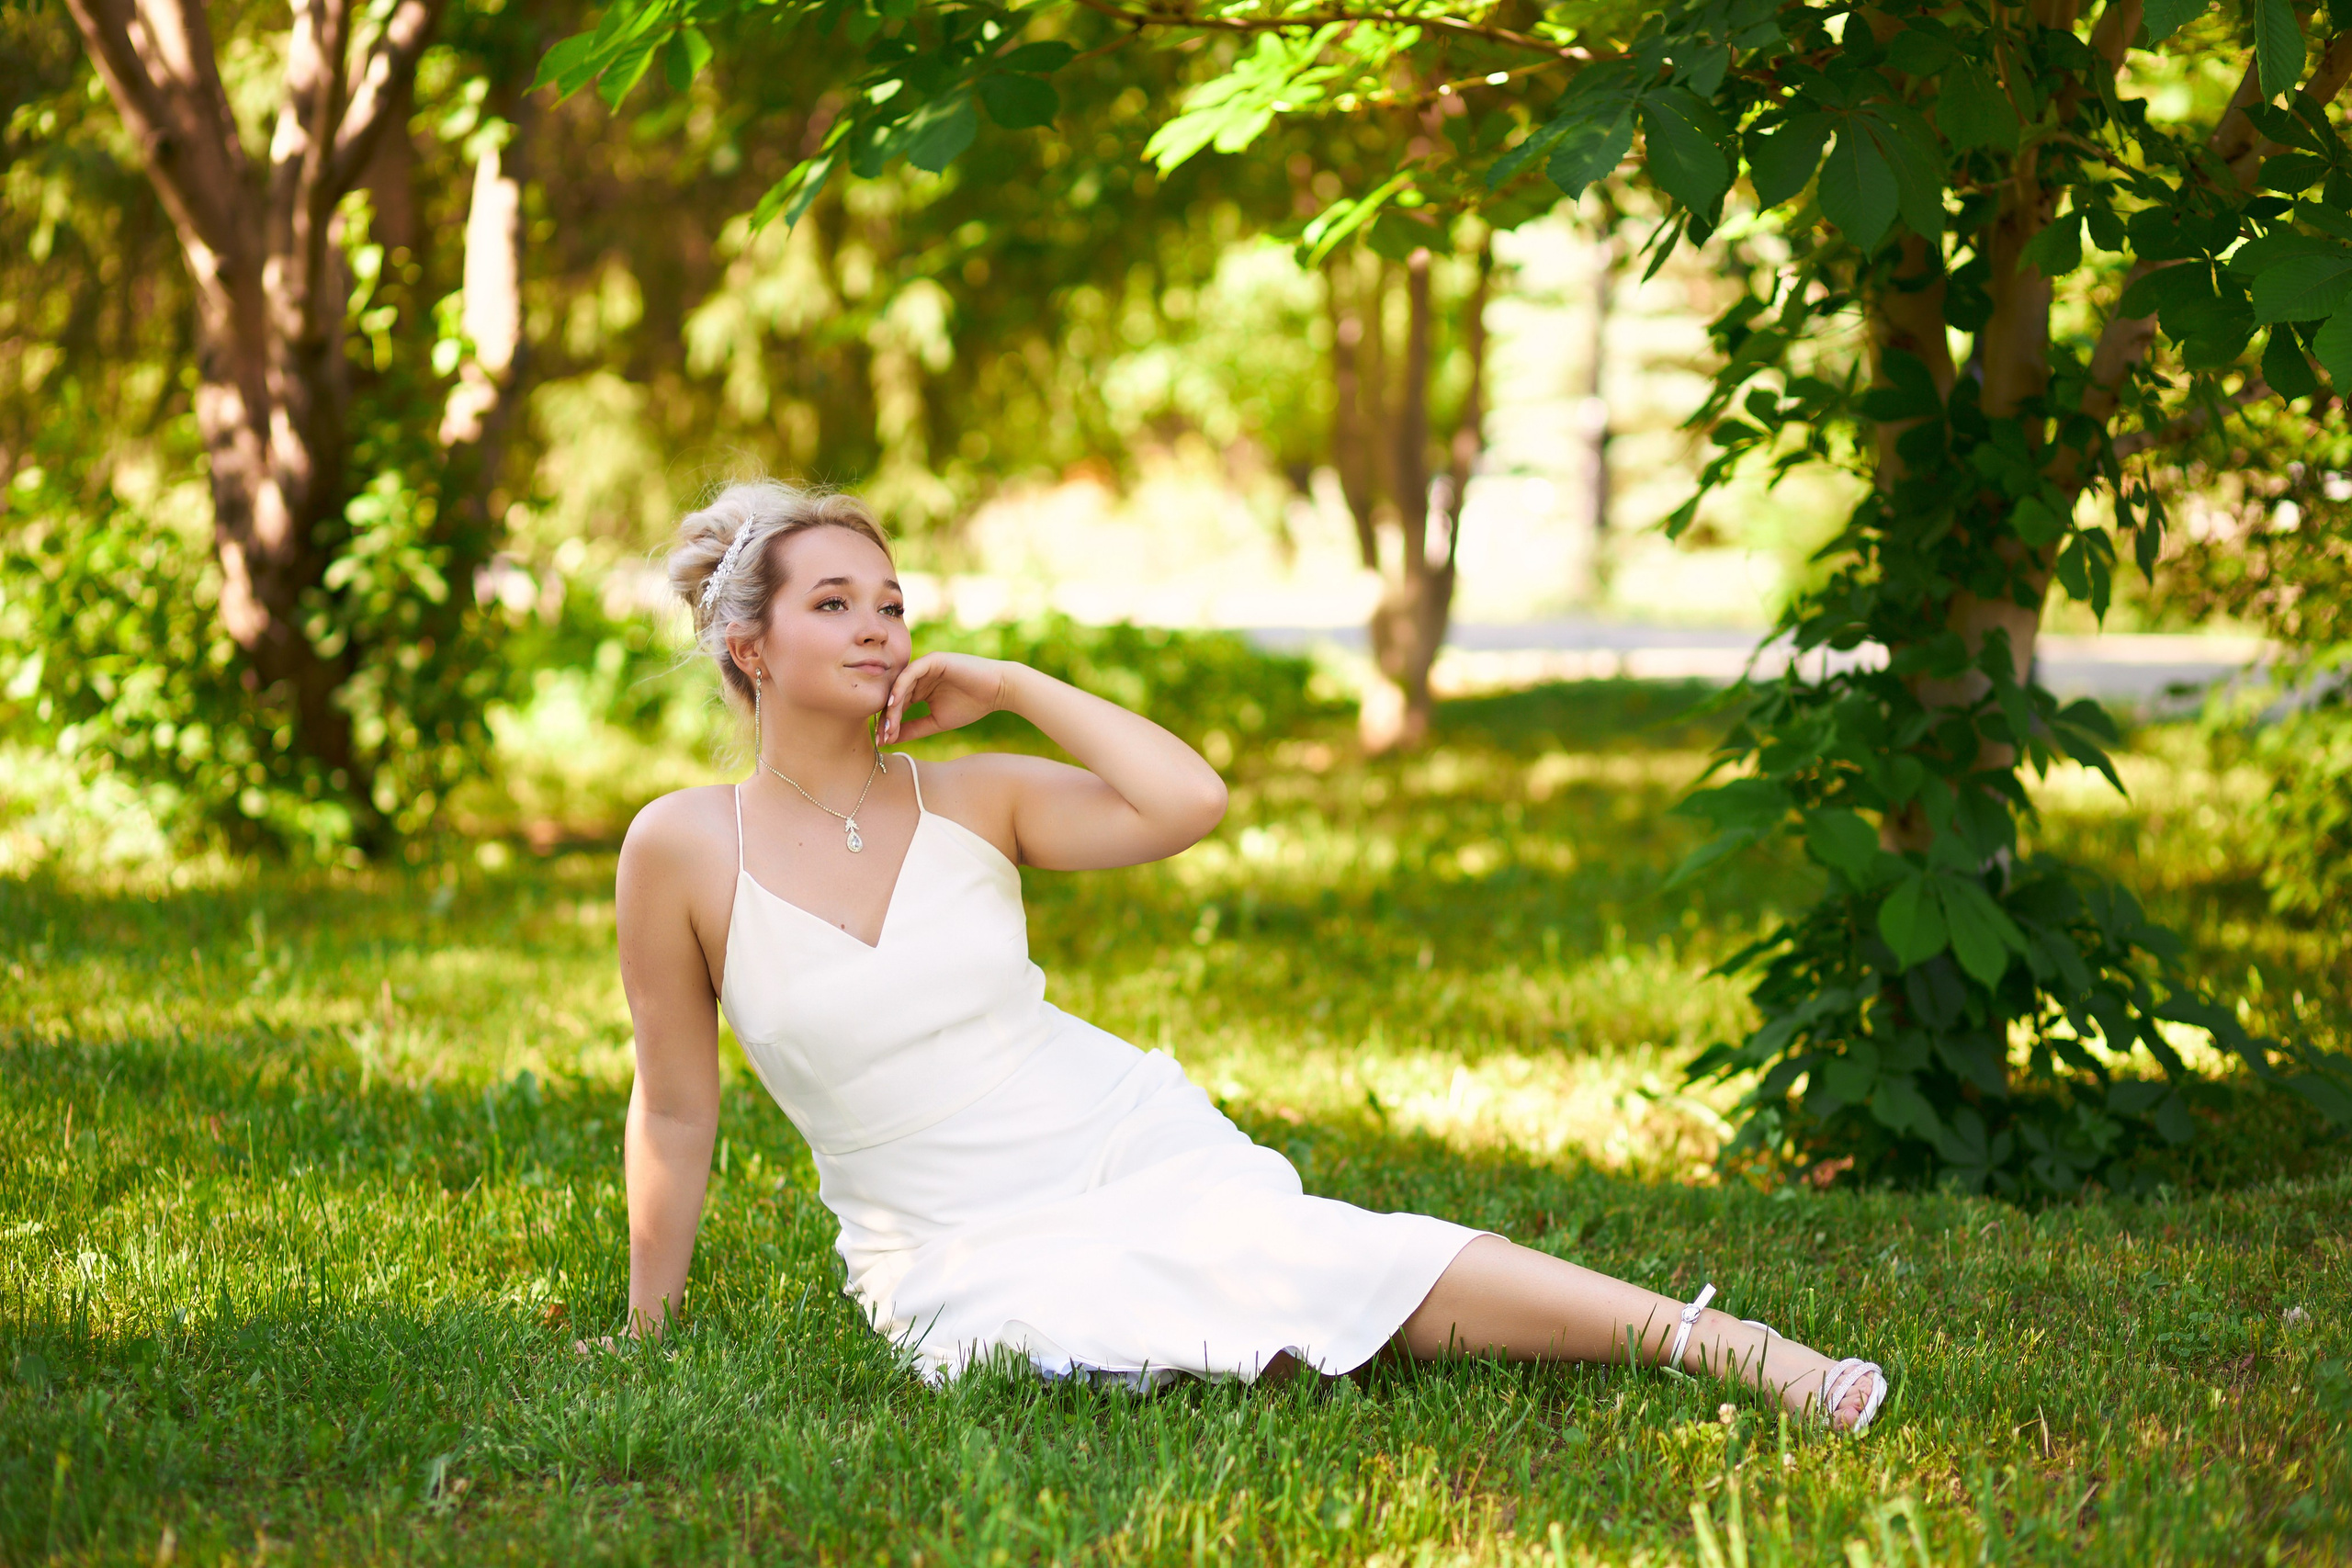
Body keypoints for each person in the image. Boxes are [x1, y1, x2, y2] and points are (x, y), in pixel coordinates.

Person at [607, 479, 1888, 1434]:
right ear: (749, 646)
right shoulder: (680, 849)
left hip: (1108, 1135)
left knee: (1316, 1259)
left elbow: (1188, 801)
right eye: (832, 605)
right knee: (1111, 1337)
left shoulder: (973, 796)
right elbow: (674, 1105)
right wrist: (647, 1329)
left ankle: (1714, 1341)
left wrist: (1013, 685)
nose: (878, 627)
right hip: (938, 1238)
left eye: (891, 602)